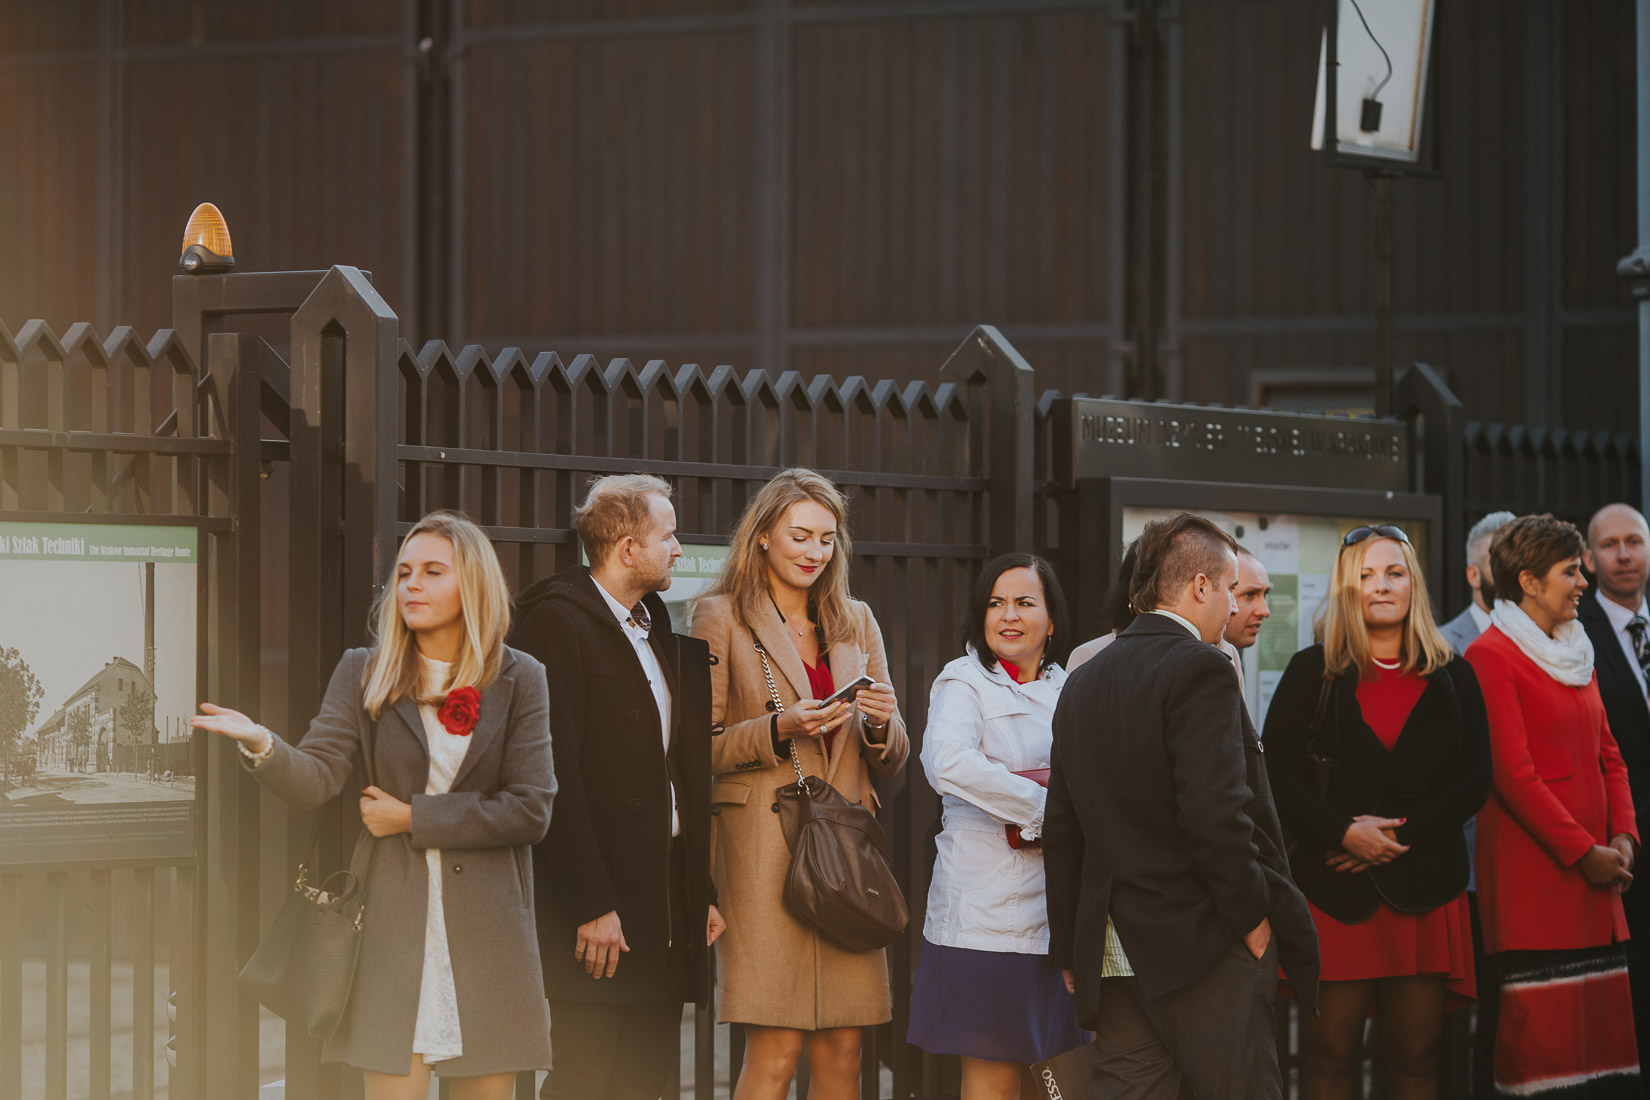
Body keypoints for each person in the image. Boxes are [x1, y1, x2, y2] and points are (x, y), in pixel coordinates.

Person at [192, 511, 556, 1099]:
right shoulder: (364, 672)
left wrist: (413, 818)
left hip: (490, 937)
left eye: (433, 572)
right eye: (405, 572)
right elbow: (316, 777)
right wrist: (263, 744)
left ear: (473, 585)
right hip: (390, 928)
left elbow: (530, 808)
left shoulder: (521, 677)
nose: (412, 584)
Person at [1044, 512, 1319, 1099]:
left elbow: (1062, 824)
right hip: (1202, 942)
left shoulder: (1082, 679)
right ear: (1200, 587)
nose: (1233, 607)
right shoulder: (1203, 667)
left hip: (1112, 951)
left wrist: (1069, 943)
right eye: (1227, 590)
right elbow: (1216, 815)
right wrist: (1253, 918)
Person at [687, 468, 909, 1100]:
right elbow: (695, 751)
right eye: (801, 536)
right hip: (762, 854)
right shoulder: (720, 617)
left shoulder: (855, 620)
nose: (815, 553)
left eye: (827, 539)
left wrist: (879, 724)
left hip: (844, 852)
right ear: (762, 537)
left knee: (844, 1048)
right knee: (776, 1047)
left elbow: (892, 756)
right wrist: (779, 727)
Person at [510, 475, 724, 1100]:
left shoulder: (652, 623)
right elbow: (552, 773)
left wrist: (698, 890)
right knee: (586, 1076)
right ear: (627, 548)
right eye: (668, 536)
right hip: (599, 904)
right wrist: (590, 903)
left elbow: (675, 768)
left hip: (660, 893)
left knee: (644, 1078)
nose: (678, 550)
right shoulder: (555, 623)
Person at [1264, 524, 1491, 1100]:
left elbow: (1474, 780)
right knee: (1330, 1056)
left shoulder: (1453, 674)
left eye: (1393, 573)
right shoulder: (1311, 670)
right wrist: (1342, 831)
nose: (1381, 586)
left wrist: (1391, 837)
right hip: (1334, 894)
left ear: (1413, 583)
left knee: (1417, 1060)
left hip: (1424, 890)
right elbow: (1279, 777)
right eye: (1365, 575)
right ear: (1346, 588)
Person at [1466, 513, 1640, 1097]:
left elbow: (1609, 756)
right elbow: (1512, 777)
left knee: (1602, 1061)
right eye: (1571, 571)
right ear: (1529, 582)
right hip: (1536, 888)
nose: (1583, 581)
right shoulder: (1491, 656)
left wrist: (1623, 839)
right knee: (1544, 1068)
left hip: (1597, 880)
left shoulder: (1576, 648)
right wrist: (1582, 853)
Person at [907, 553, 1084, 1098]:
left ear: (1051, 620)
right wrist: (1044, 807)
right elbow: (946, 761)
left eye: (1025, 603)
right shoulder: (964, 682)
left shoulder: (1069, 687)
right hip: (983, 921)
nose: (1008, 615)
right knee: (994, 1080)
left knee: (1056, 1079)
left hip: (1057, 918)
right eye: (995, 603)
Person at [1578, 502, 1650, 1075]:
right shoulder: (1577, 630)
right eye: (1610, 545)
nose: (1624, 555)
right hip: (1622, 845)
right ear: (1589, 556)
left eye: (1635, 541)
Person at [1439, 511, 1517, 656]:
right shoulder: (1440, 643)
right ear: (1473, 575)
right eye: (1499, 562)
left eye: (1518, 561)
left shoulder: (1548, 637)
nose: (1512, 571)